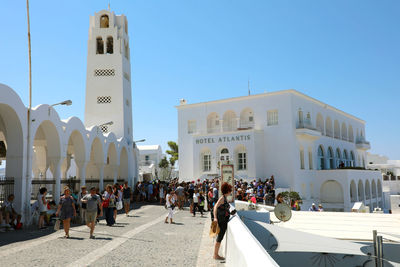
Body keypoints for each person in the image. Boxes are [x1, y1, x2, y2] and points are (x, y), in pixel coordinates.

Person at [213, 182, 234, 260]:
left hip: (224, 220)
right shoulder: (222, 198)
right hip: (221, 221)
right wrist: (215, 217)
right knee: (220, 238)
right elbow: (215, 207)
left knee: (220, 237)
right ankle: (215, 255)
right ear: (227, 191)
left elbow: (224, 209)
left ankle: (216, 254)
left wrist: (230, 213)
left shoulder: (224, 198)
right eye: (230, 190)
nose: (231, 191)